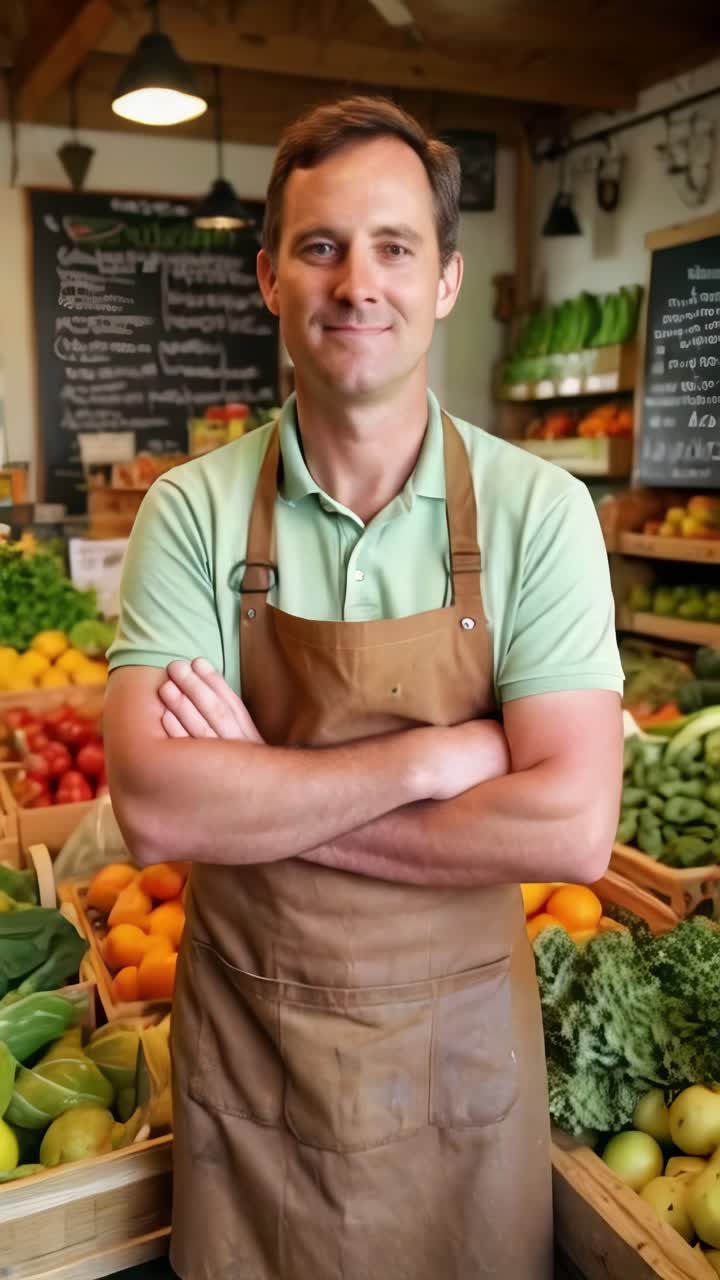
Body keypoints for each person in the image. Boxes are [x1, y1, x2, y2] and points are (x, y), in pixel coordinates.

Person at [104, 95, 624, 1280]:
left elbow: (575, 826)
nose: (357, 283)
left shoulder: (539, 512)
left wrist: (269, 792)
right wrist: (437, 758)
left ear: (445, 280)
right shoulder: (191, 510)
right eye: (321, 246)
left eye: (395, 246)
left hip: (462, 1074)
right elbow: (162, 808)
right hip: (252, 1065)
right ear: (268, 277)